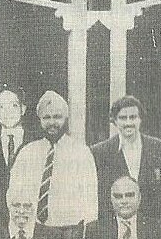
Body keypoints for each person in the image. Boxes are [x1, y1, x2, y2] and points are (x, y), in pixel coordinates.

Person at [9, 90, 98, 227]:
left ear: (66, 119)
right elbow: (13, 194)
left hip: (68, 231)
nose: (52, 122)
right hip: (34, 229)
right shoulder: (27, 153)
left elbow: (90, 200)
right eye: (46, 117)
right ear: (40, 120)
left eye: (57, 117)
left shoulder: (81, 153)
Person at [90, 95, 161, 223]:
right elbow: (98, 197)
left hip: (151, 228)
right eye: (123, 118)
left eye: (133, 117)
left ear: (140, 119)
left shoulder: (159, 149)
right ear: (114, 121)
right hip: (115, 231)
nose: (128, 123)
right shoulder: (100, 152)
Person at [0, 84, 39, 225]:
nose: (8, 112)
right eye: (1, 107)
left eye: (14, 106)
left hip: (29, 218)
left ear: (23, 109)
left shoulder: (36, 141)